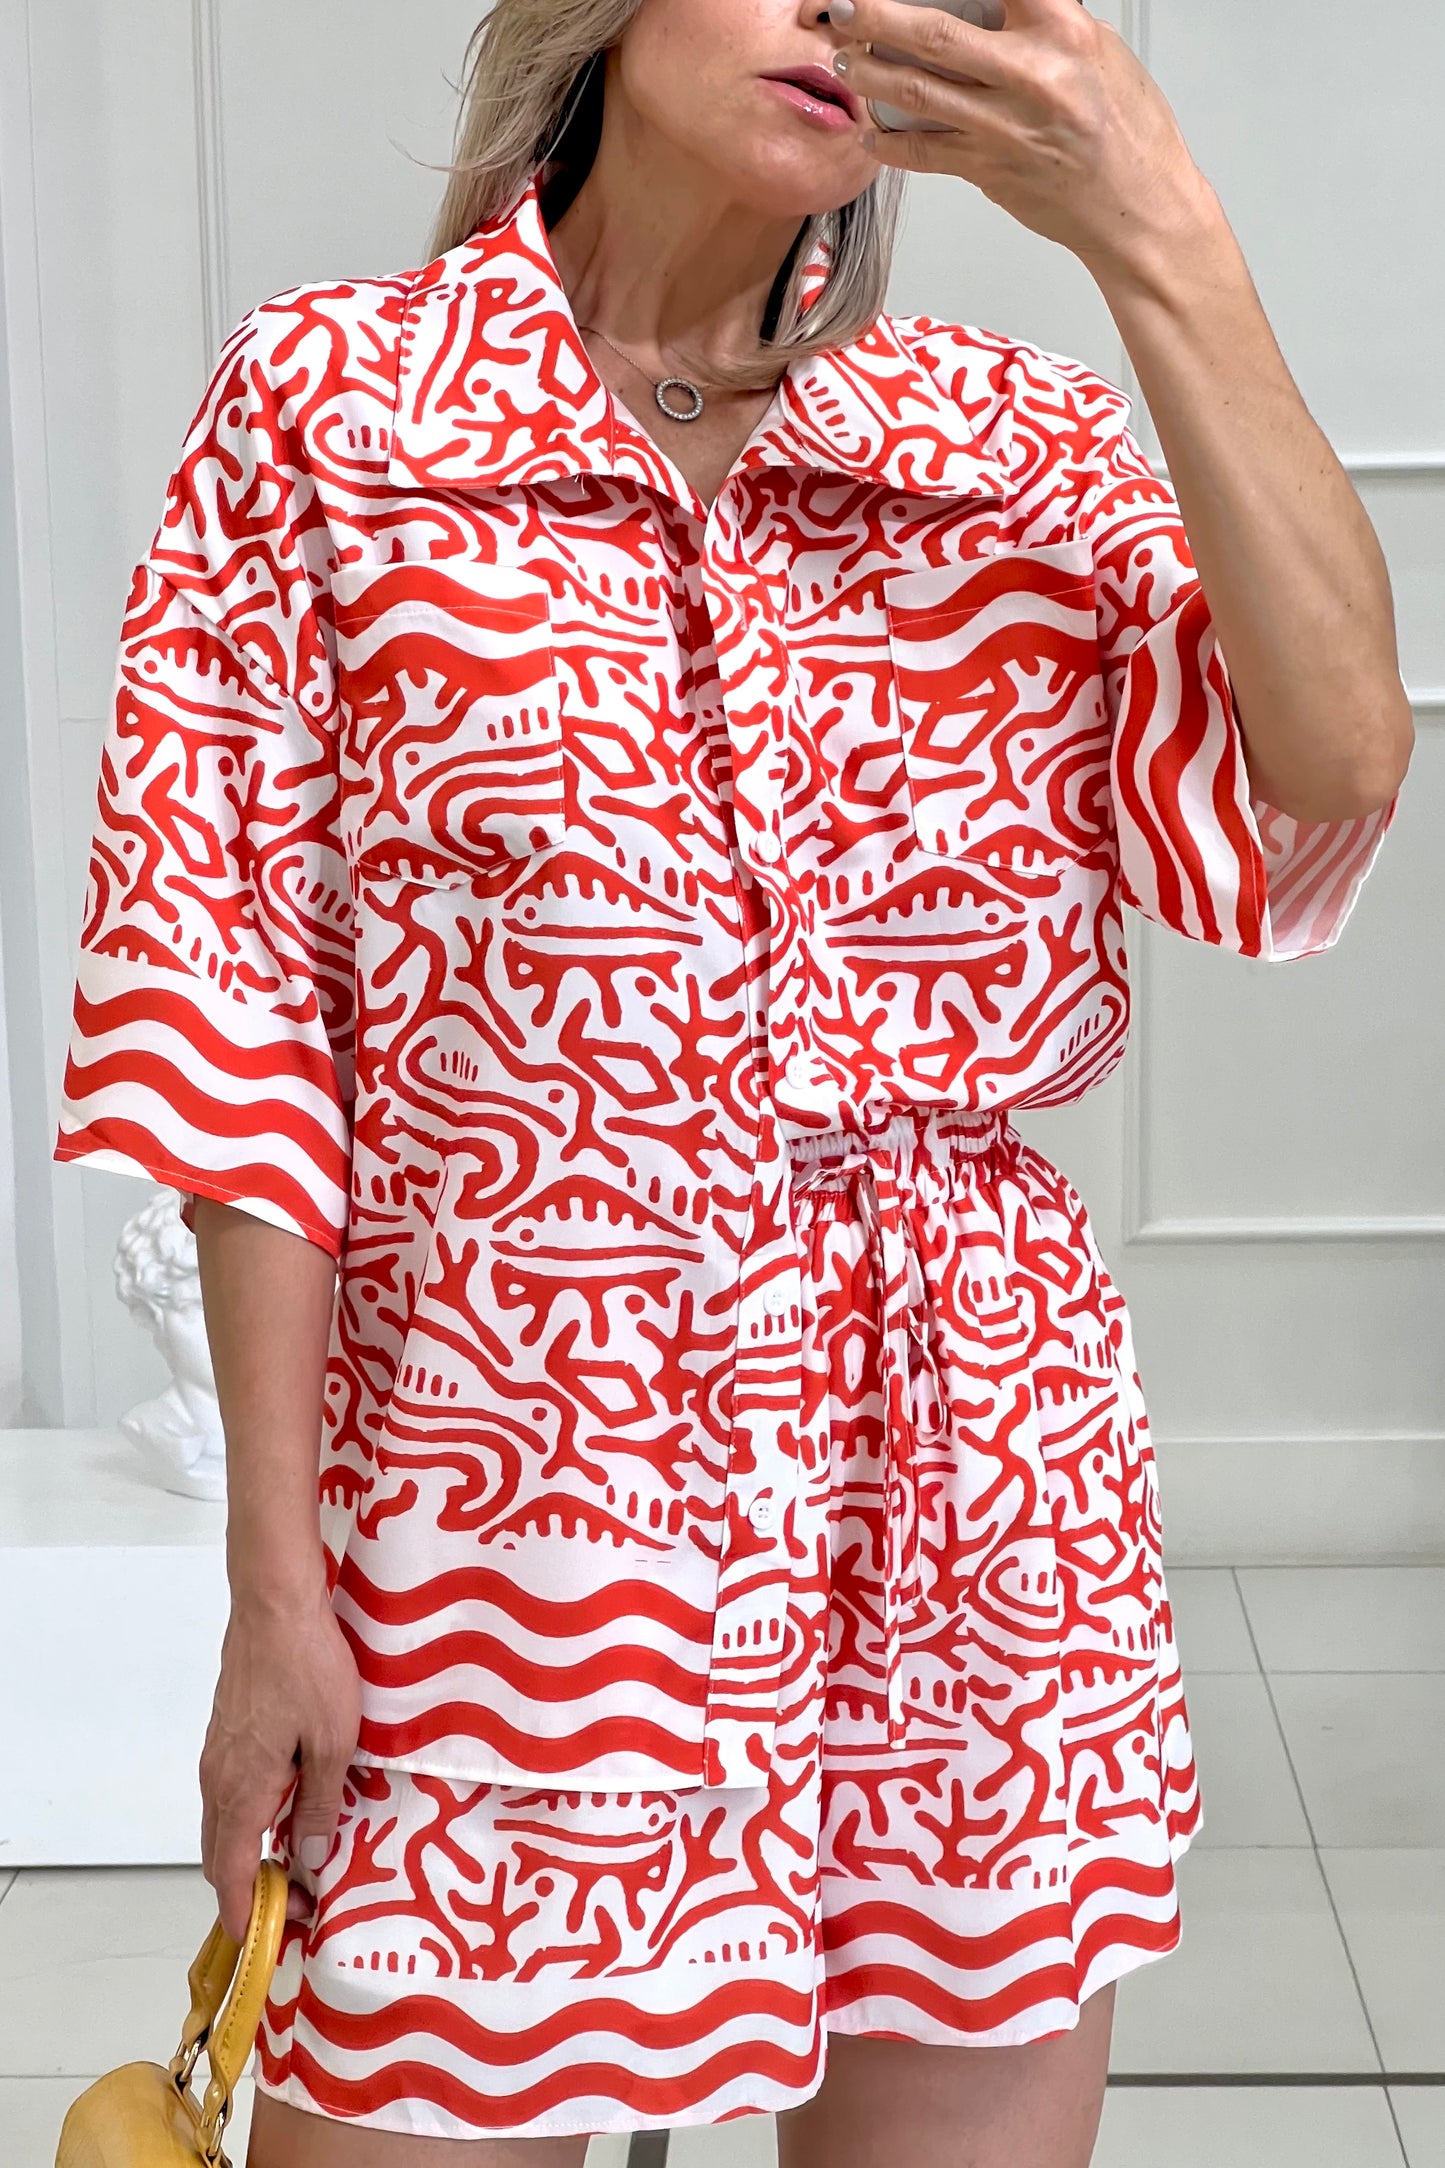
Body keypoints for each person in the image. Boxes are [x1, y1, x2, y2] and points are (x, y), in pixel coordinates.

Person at [53, 0, 1411, 2161]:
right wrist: (273, 1593)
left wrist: (1156, 228)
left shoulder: (1014, 441)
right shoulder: (330, 409)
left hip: (966, 1502)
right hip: (507, 1500)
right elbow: (235, 1030)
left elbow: (1320, 785)